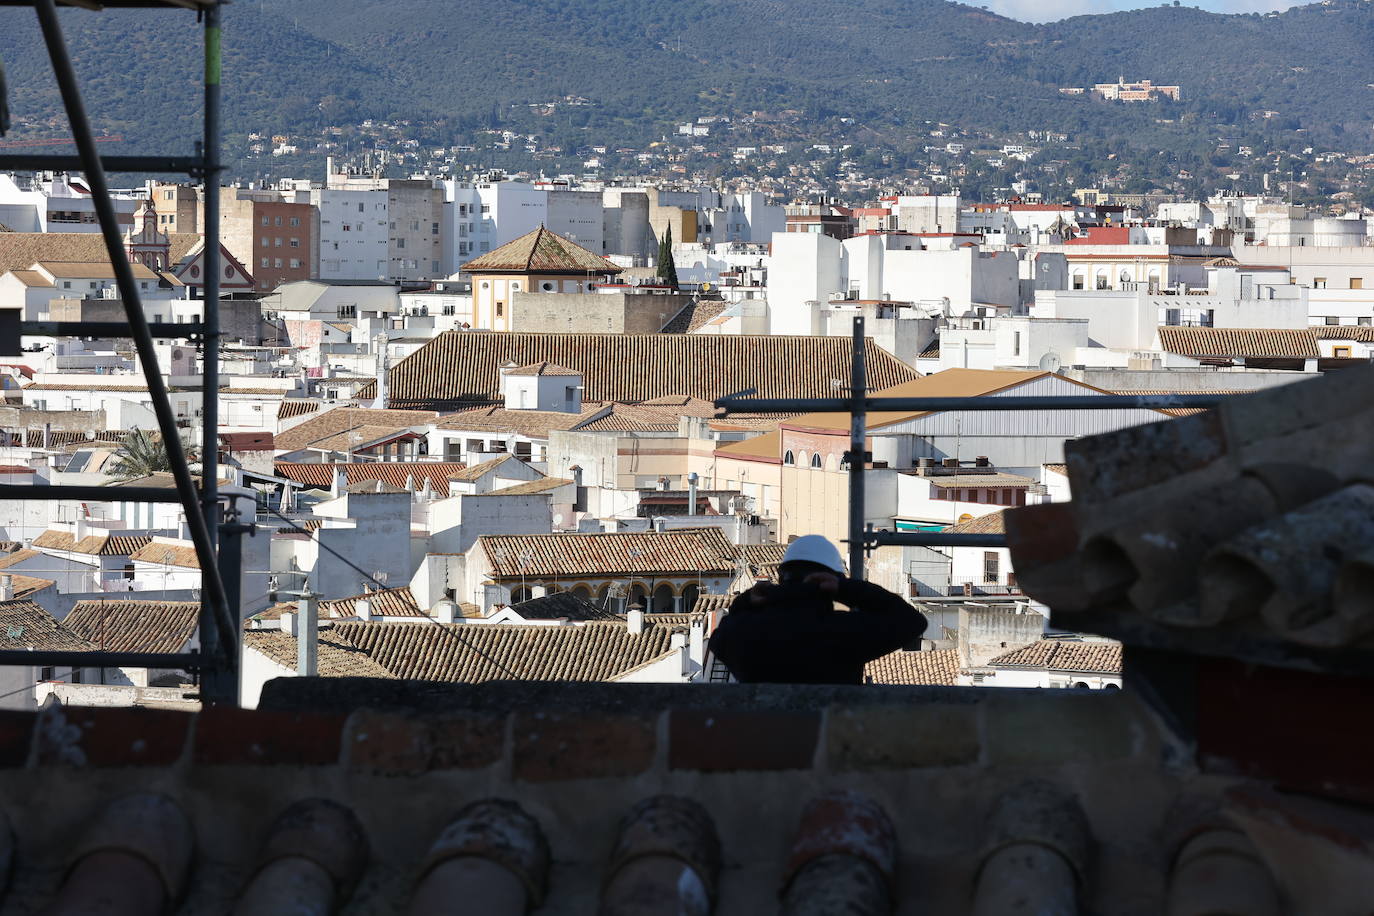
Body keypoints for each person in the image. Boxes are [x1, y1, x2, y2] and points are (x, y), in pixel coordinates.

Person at [707, 535, 927, 685]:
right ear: (830, 580)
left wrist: (747, 600)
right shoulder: (843, 632)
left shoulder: (744, 632)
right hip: (828, 744)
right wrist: (846, 589)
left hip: (763, 744)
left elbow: (719, 637)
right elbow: (912, 621)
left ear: (782, 577)